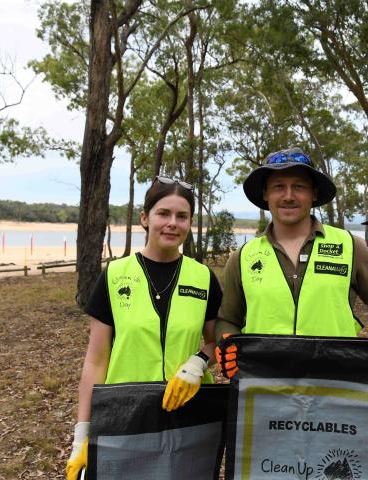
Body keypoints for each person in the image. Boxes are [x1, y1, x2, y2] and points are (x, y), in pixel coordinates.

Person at [66, 176, 223, 479]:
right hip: (125, 417)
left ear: (190, 223)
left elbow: (217, 342)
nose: (172, 223)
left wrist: (198, 363)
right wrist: (82, 435)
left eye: (182, 216)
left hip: (189, 418)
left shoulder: (203, 278)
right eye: (163, 213)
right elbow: (96, 360)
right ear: (145, 218)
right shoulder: (114, 275)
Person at [215, 146, 368, 385]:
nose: (289, 195)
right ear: (266, 194)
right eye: (279, 186)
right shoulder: (243, 257)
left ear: (314, 193)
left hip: (335, 387)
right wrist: (229, 344)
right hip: (264, 390)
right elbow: (228, 318)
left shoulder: (350, 247)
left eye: (299, 186)